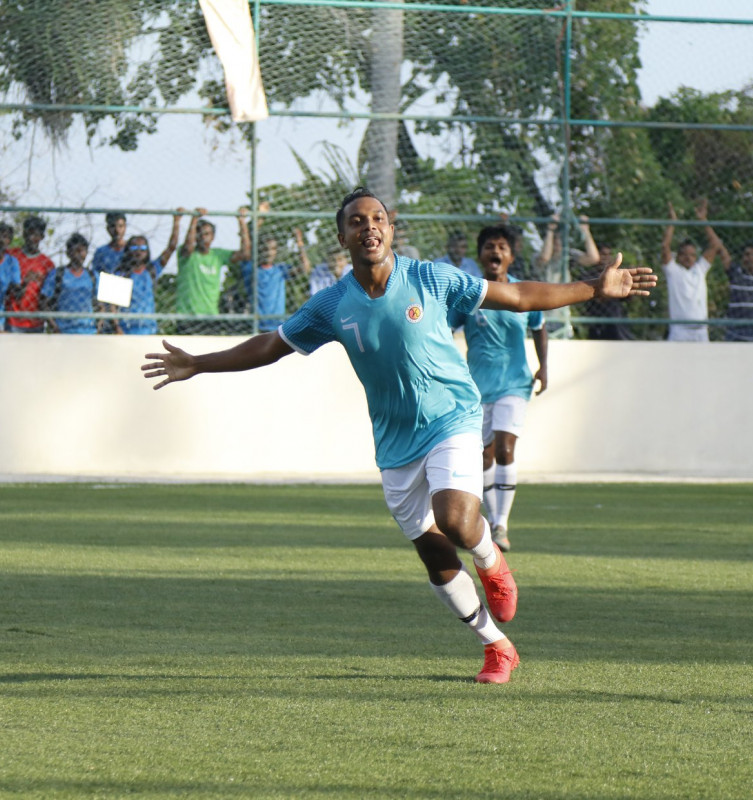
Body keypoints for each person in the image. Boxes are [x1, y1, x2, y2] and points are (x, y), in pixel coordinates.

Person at [143, 187, 656, 684]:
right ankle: (496, 646)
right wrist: (200, 363)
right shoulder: (330, 305)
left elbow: (519, 296)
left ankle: (492, 562)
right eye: (356, 222)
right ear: (342, 238)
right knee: (434, 555)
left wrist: (593, 288)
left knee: (456, 519)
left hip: (452, 416)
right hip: (394, 443)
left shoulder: (433, 279)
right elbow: (271, 346)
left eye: (377, 219)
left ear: (392, 230)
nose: (368, 227)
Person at [448, 223, 548, 553]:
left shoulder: (523, 291)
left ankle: (502, 523)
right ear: (480, 255)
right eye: (490, 246)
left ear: (511, 256)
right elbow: (445, 330)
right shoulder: (469, 294)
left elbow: (539, 326)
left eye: (502, 247)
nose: (496, 251)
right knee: (483, 455)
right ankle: (493, 520)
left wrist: (543, 366)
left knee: (505, 448)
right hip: (476, 388)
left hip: (515, 384)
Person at [176, 207, 251, 334]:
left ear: (213, 237)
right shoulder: (187, 254)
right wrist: (194, 219)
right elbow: (188, 247)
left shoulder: (218, 255)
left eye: (207, 234)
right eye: (199, 233)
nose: (203, 237)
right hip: (187, 316)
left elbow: (245, 254)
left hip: (210, 316)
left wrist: (242, 221)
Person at [112, 209, 184, 336]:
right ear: (128, 251)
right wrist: (117, 327)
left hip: (148, 330)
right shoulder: (121, 274)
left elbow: (171, 247)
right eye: (134, 248)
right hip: (126, 329)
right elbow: (112, 306)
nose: (139, 251)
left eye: (143, 248)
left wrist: (176, 222)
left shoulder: (151, 270)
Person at [661, 200, 724, 342]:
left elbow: (716, 245)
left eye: (692, 255)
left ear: (696, 257)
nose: (688, 258)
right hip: (679, 331)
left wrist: (703, 221)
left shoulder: (700, 270)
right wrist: (673, 222)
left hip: (701, 331)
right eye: (684, 254)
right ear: (679, 256)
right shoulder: (673, 271)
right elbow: (665, 247)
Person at [240, 228, 312, 332]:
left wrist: (299, 242)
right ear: (259, 250)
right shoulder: (251, 270)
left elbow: (305, 268)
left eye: (273, 249)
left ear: (276, 251)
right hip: (257, 326)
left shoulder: (280, 270)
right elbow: (246, 252)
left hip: (277, 327)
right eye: (265, 249)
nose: (269, 252)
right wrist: (243, 225)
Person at [41, 233, 99, 334]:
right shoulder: (57, 274)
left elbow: (101, 305)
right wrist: (54, 326)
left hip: (88, 331)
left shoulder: (93, 276)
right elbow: (44, 302)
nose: (80, 254)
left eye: (83, 251)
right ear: (68, 253)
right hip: (64, 330)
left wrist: (98, 327)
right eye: (76, 251)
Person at [7, 216, 56, 334]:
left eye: (36, 235)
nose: (31, 238)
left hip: (36, 320)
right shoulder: (11, 255)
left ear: (42, 237)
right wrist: (26, 280)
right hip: (13, 318)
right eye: (29, 233)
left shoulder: (47, 263)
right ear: (23, 233)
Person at [91, 212, 128, 276]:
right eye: (113, 226)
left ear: (125, 227)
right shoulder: (101, 252)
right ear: (108, 228)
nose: (117, 230)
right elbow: (96, 273)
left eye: (120, 226)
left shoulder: (131, 249)